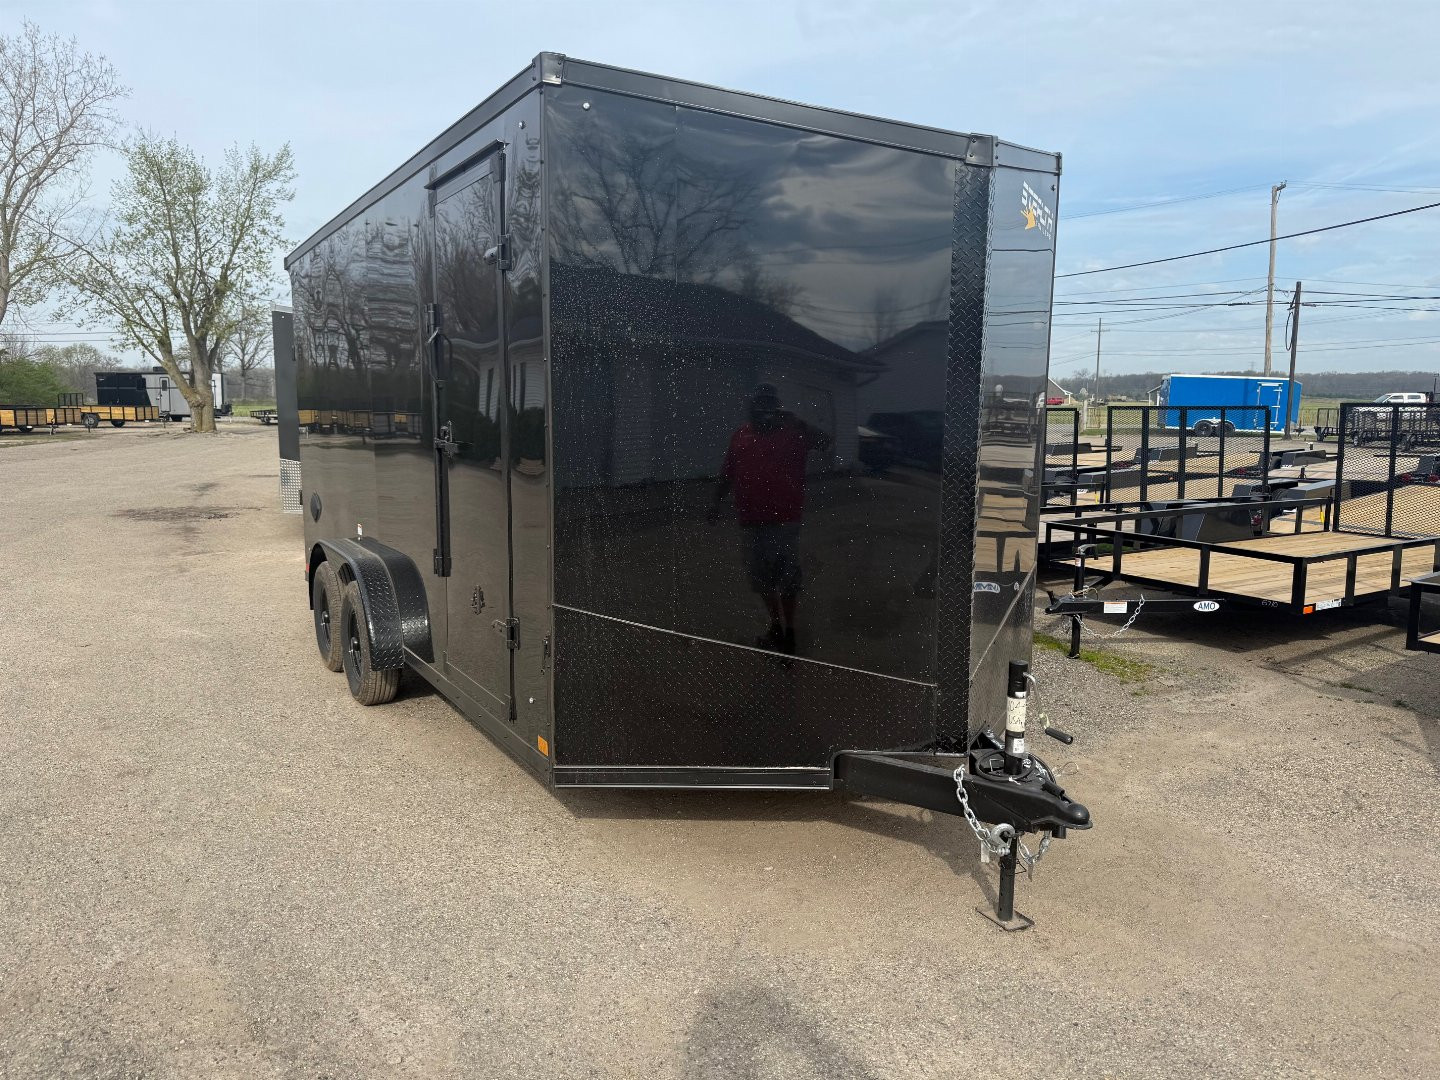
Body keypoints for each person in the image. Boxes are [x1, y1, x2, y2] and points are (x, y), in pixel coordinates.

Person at [708, 384, 831, 654]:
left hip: (784, 520)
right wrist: (715, 502)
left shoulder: (794, 432)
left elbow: (825, 442)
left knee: (786, 578)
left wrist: (799, 422)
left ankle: (790, 633)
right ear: (751, 408)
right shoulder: (741, 434)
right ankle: (776, 626)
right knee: (761, 578)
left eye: (769, 405)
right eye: (758, 404)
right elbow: (728, 471)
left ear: (778, 408)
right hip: (750, 521)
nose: (763, 410)